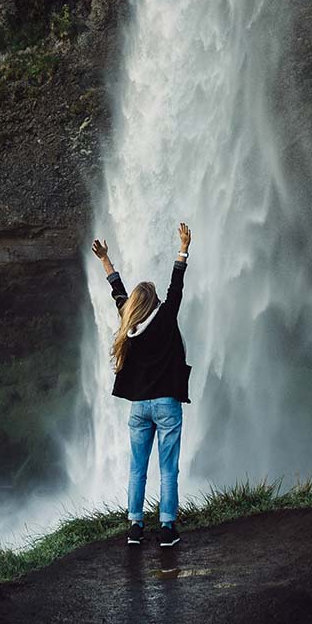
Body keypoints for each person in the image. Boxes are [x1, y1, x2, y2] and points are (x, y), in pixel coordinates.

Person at [91, 223, 193, 548]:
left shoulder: (127, 323)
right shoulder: (165, 318)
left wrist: (105, 260)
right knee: (168, 469)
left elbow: (118, 291)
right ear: (155, 304)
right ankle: (166, 529)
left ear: (135, 306)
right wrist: (183, 248)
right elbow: (176, 287)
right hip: (166, 404)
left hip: (138, 408)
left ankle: (135, 528)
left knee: (137, 469)